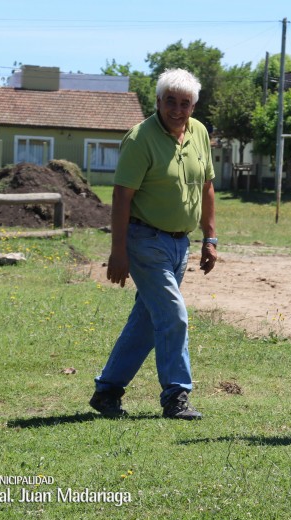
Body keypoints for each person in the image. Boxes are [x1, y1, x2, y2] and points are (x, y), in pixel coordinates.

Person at [89, 68, 218, 420]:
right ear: (158, 101)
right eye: (171, 102)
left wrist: (210, 237)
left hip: (181, 245)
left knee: (148, 320)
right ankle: (176, 396)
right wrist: (118, 252)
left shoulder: (199, 133)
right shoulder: (140, 138)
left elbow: (207, 187)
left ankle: (108, 391)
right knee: (174, 316)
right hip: (145, 241)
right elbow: (121, 196)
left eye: (185, 103)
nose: (178, 110)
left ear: (193, 106)